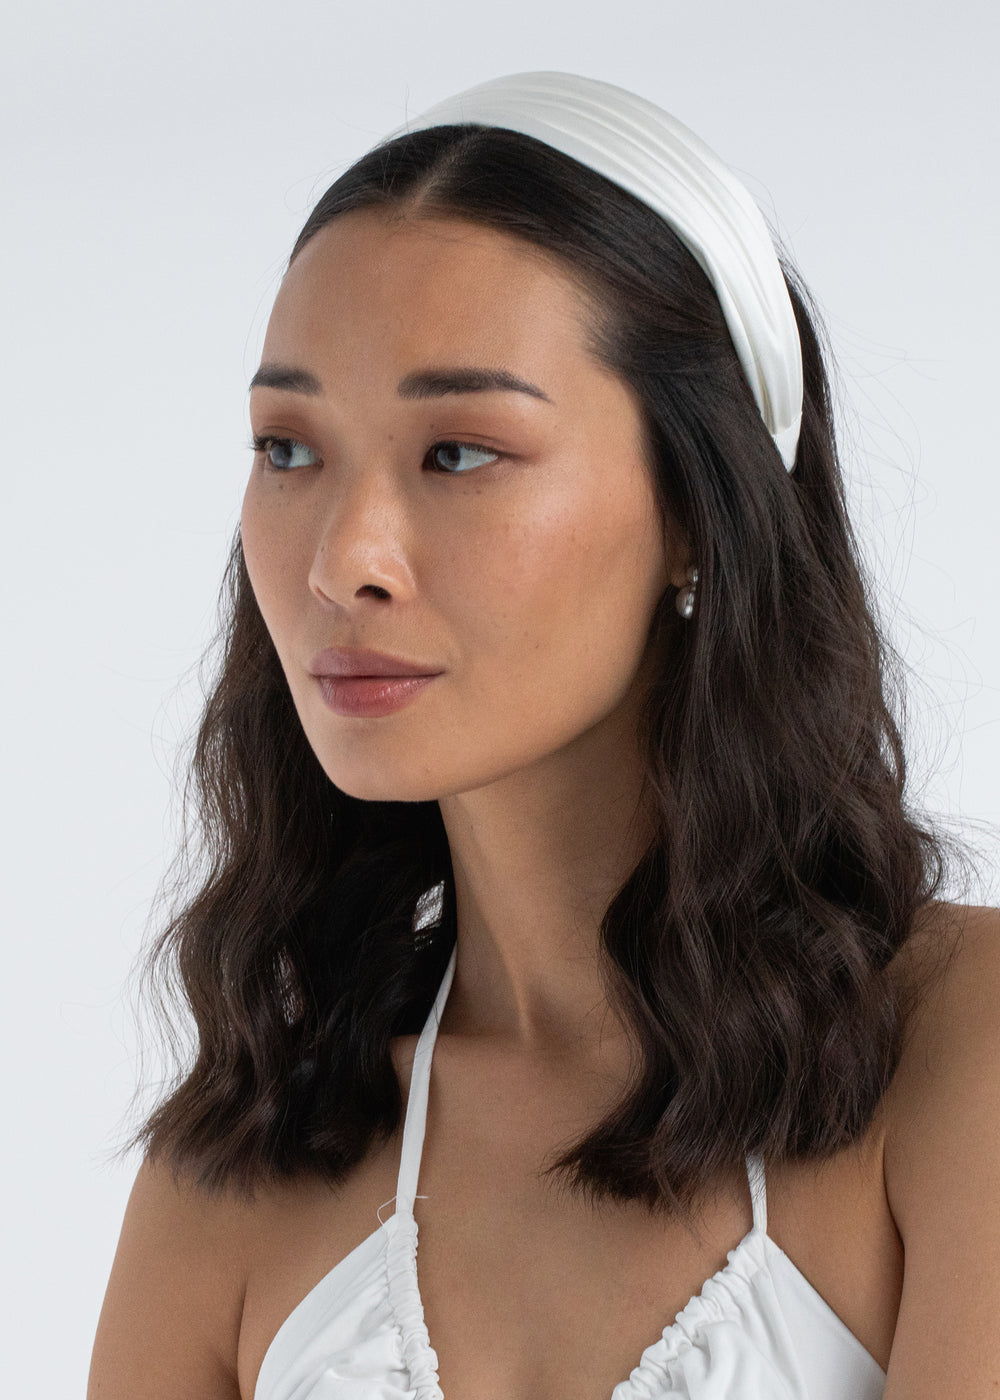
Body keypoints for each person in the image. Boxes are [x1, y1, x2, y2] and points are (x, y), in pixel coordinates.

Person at [87, 72, 1000, 1400]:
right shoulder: (250, 1152)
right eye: (288, 449)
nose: (343, 562)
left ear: (700, 509)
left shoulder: (961, 1047)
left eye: (460, 452)